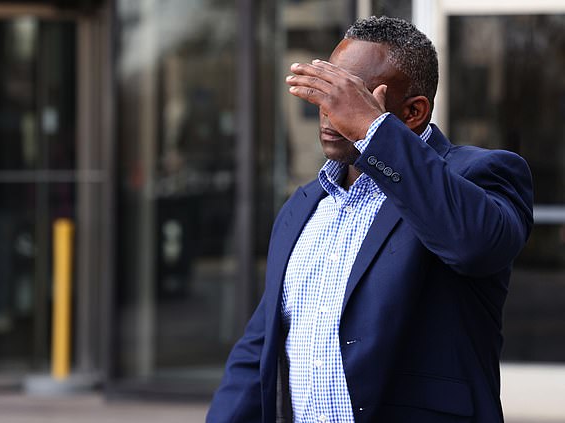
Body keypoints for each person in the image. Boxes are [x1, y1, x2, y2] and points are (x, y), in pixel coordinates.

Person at [207, 16, 533, 423]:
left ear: (413, 112)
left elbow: (474, 245)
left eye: (350, 98)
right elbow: (261, 346)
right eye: (327, 94)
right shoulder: (304, 205)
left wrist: (372, 130)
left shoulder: (477, 175)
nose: (329, 112)